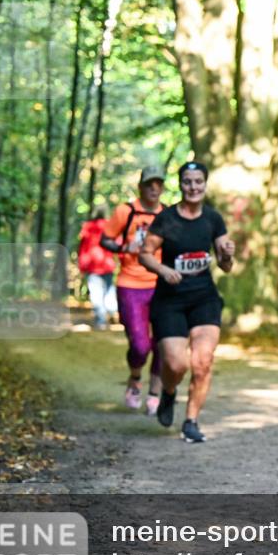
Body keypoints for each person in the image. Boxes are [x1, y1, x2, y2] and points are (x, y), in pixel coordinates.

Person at [139, 161, 235, 444]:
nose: (193, 187)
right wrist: (163, 270)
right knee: (176, 363)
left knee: (202, 362)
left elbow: (226, 264)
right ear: (180, 185)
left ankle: (191, 421)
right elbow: (144, 253)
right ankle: (169, 393)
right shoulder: (167, 219)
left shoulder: (213, 219)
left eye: (198, 182)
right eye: (187, 182)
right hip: (170, 301)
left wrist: (228, 254)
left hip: (204, 298)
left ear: (205, 184)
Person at [102, 166, 166, 415]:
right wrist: (123, 247)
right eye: (149, 184)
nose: (154, 188)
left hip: (160, 285)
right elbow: (105, 239)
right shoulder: (125, 211)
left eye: (158, 183)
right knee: (140, 345)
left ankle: (154, 393)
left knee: (163, 342)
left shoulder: (168, 214)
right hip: (130, 285)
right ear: (141, 186)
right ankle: (135, 379)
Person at [77, 205, 118, 329]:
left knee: (96, 294)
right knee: (109, 291)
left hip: (93, 266)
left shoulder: (88, 227)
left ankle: (101, 321)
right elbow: (117, 244)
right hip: (107, 264)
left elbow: (83, 248)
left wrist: (82, 266)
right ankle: (112, 312)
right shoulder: (109, 225)